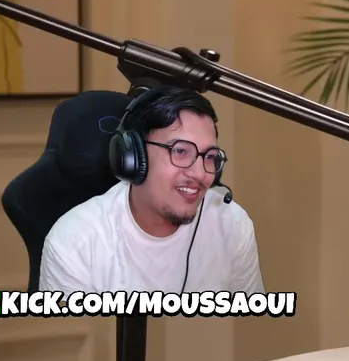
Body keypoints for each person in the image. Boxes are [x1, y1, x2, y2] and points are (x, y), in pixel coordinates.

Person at [39, 86, 264, 294]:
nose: (199, 174)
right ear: (133, 158)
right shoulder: (75, 242)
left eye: (210, 156)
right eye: (180, 151)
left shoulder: (232, 224)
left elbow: (253, 322)